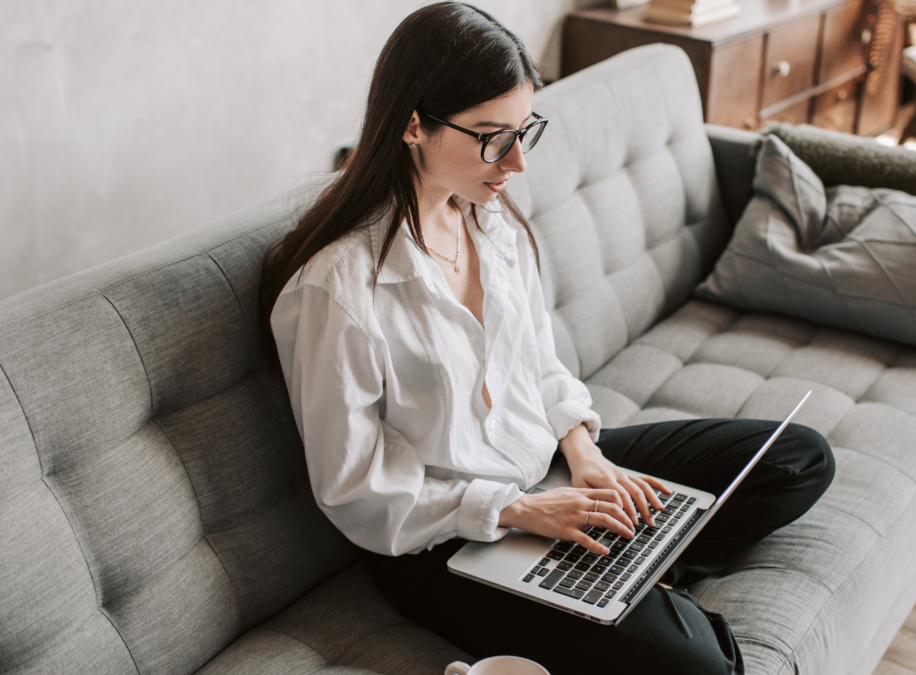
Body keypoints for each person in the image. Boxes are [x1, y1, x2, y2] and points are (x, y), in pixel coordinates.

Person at [258, 3, 835, 673]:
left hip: (549, 471)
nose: (517, 163)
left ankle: (637, 567)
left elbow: (540, 363)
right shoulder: (337, 290)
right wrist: (519, 509)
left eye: (523, 130)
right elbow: (357, 489)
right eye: (491, 137)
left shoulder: (489, 219)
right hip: (444, 541)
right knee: (699, 666)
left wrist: (585, 451)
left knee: (797, 458)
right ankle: (634, 583)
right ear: (413, 123)